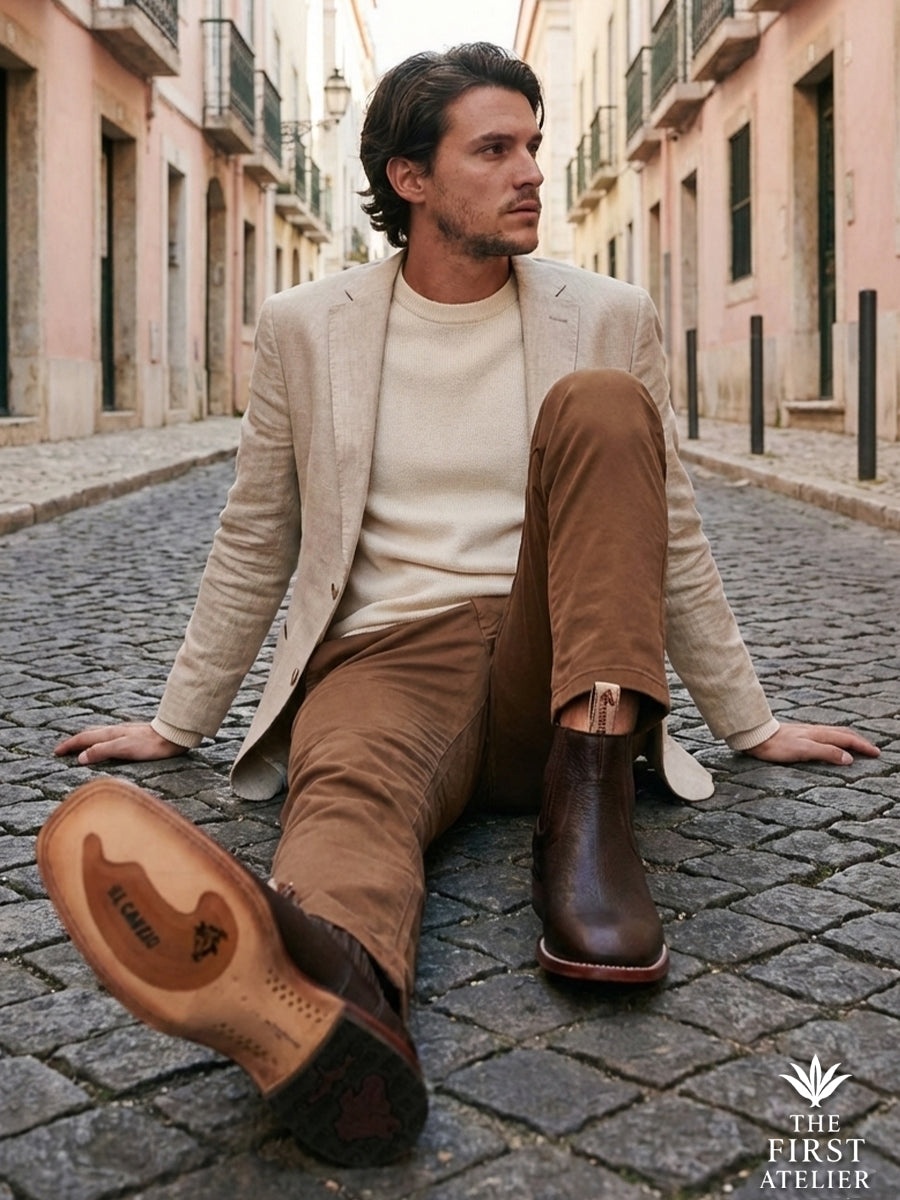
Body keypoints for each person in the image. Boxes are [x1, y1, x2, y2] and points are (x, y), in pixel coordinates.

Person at [41, 43, 878, 1168]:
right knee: (345, 795)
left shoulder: (608, 314)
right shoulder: (306, 327)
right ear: (411, 178)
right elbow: (257, 533)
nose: (530, 169)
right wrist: (179, 720)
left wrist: (749, 722)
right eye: (495, 149)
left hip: (564, 661)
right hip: (386, 656)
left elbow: (665, 527)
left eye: (534, 144)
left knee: (601, 406)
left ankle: (589, 820)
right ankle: (328, 999)